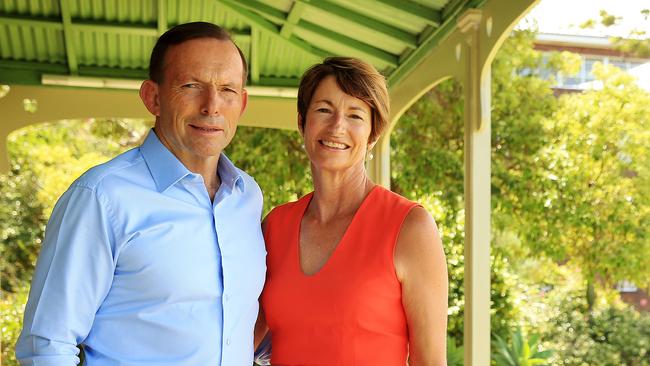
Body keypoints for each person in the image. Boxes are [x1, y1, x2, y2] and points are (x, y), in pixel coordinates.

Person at [16, 22, 266, 366]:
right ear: (153, 97)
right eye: (192, 86)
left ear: (243, 103)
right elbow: (46, 347)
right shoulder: (101, 197)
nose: (212, 106)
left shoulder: (247, 198)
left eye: (228, 90)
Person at [258, 57, 448, 365]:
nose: (337, 126)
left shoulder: (410, 228)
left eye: (355, 115)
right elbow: (238, 337)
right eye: (323, 110)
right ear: (301, 122)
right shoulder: (275, 226)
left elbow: (431, 361)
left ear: (373, 134)